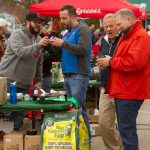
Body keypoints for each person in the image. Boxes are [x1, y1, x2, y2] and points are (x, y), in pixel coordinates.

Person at [97, 8, 150, 150]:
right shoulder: (128, 35)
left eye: (118, 24)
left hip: (130, 90)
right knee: (125, 130)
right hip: (123, 89)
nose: (117, 27)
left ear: (128, 19)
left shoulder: (140, 36)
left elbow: (135, 63)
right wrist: (110, 62)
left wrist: (111, 62)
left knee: (127, 131)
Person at [49, 5, 92, 144]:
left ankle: (85, 142)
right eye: (61, 17)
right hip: (69, 75)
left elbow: (83, 49)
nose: (61, 20)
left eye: (64, 18)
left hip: (78, 75)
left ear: (73, 16)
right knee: (74, 110)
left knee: (79, 110)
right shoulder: (70, 31)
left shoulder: (83, 29)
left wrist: (63, 44)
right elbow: (66, 49)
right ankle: (78, 141)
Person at [0, 12, 49, 130]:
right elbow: (21, 52)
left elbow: (39, 62)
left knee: (20, 114)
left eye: (41, 23)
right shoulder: (17, 34)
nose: (38, 25)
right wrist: (38, 45)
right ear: (28, 22)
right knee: (4, 112)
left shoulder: (39, 39)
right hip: (7, 81)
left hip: (25, 84)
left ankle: (9, 138)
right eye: (36, 22)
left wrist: (38, 80)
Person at [97, 13, 123, 150]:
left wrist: (110, 62)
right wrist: (101, 62)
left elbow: (127, 62)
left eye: (111, 26)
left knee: (125, 126)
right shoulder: (104, 41)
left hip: (121, 89)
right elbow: (102, 56)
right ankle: (115, 148)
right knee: (104, 124)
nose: (108, 29)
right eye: (106, 26)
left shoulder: (124, 40)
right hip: (105, 88)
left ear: (118, 26)